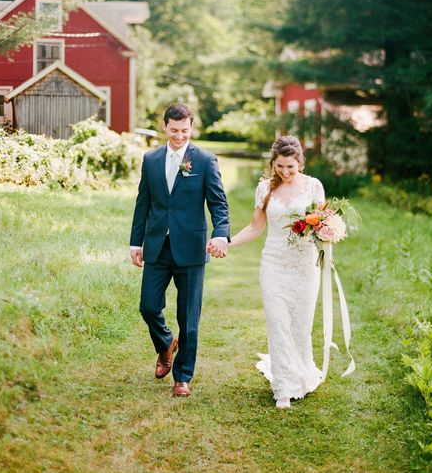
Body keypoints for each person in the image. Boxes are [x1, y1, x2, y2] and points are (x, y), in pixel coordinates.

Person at [130, 103, 230, 398]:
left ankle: (183, 376)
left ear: (191, 127)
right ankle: (165, 344)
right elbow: (143, 204)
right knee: (148, 306)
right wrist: (136, 242)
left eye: (184, 131)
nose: (179, 136)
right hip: (157, 246)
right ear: (164, 127)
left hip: (191, 248)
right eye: (174, 130)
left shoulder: (205, 160)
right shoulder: (150, 160)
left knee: (189, 316)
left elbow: (219, 204)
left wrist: (221, 234)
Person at [228, 136, 324, 409]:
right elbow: (255, 228)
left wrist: (328, 237)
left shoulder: (314, 186)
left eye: (290, 167)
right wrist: (228, 243)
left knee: (300, 325)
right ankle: (283, 387)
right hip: (274, 264)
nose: (285, 172)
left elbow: (321, 225)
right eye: (280, 166)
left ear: (300, 164)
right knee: (278, 323)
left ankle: (301, 374)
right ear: (273, 163)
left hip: (305, 266)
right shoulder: (265, 189)